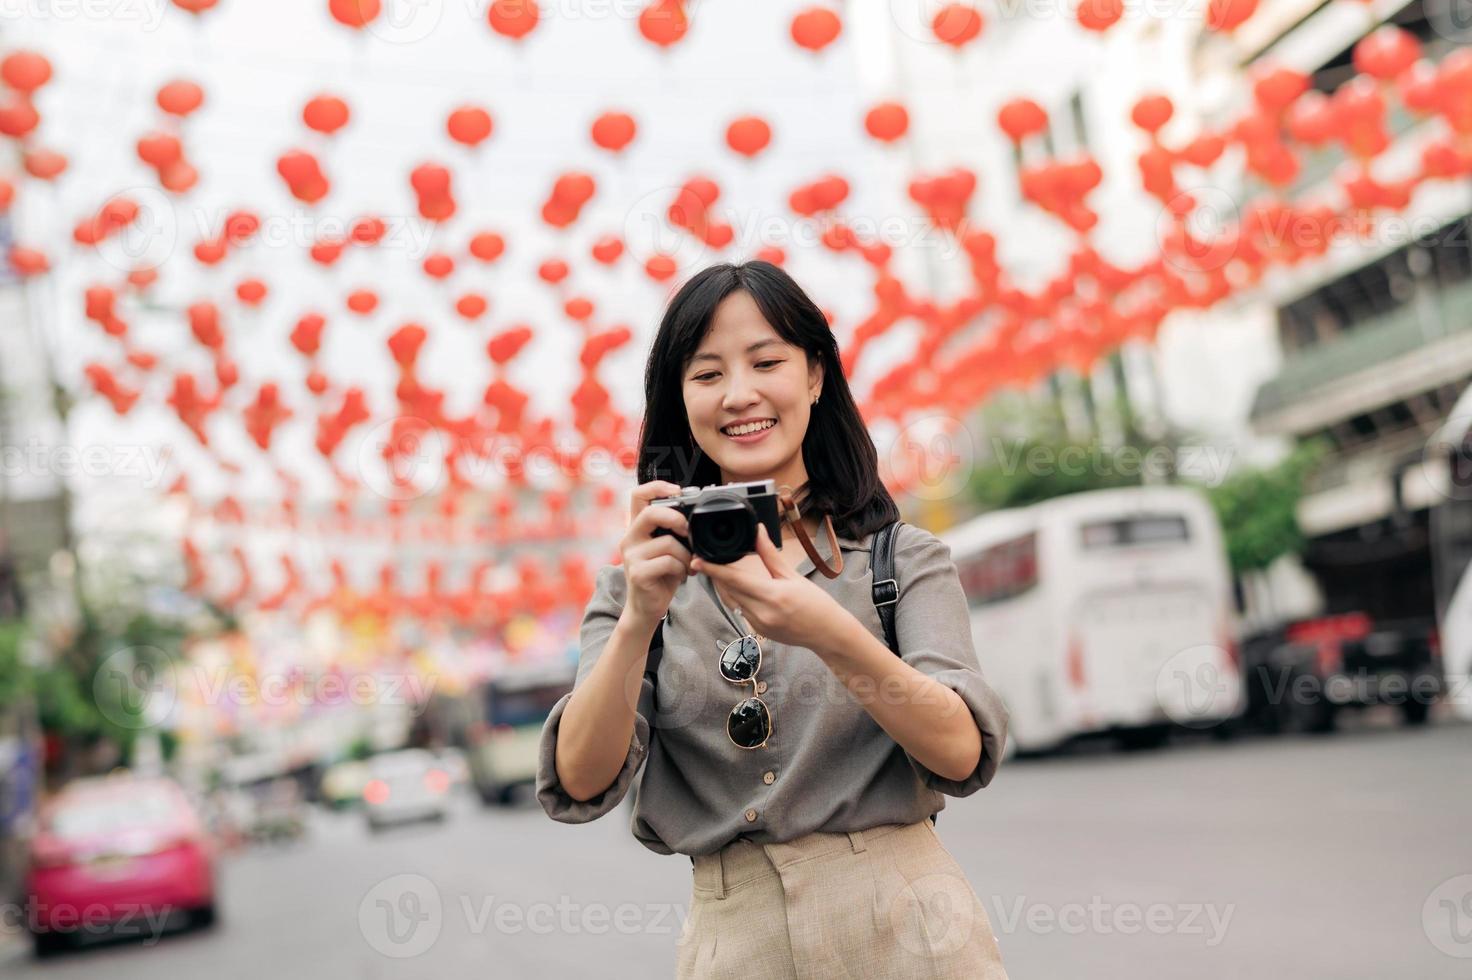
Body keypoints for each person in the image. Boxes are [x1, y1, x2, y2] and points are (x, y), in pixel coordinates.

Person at [536, 260, 1011, 978]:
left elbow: (961, 753)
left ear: (816, 375)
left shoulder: (900, 559)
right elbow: (579, 780)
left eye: (766, 362)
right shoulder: (639, 584)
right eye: (707, 374)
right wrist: (638, 619)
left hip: (911, 927)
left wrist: (823, 627)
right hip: (736, 943)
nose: (740, 394)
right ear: (680, 398)